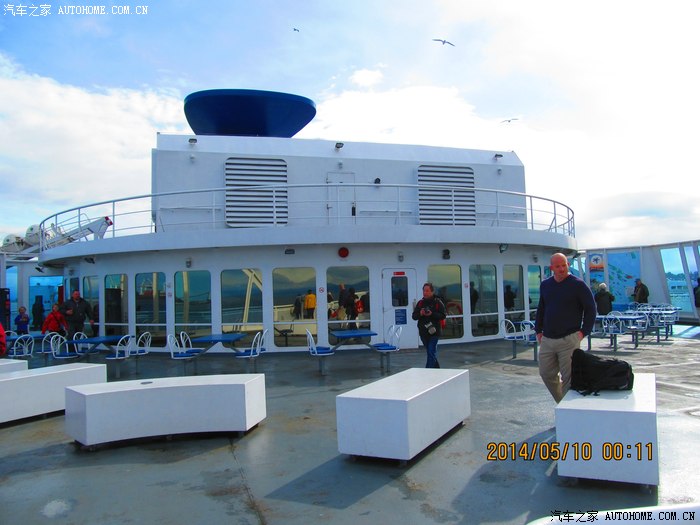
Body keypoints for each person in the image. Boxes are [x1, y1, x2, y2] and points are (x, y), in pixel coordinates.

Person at [535, 253, 596, 403]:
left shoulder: (578, 285)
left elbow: (591, 308)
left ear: (568, 265)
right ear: (552, 268)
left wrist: (583, 332)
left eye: (564, 265)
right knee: (546, 373)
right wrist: (538, 330)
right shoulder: (545, 285)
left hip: (569, 339)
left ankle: (567, 410)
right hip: (548, 339)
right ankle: (562, 402)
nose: (562, 269)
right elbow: (542, 308)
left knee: (568, 378)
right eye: (558, 266)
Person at [412, 282, 447, 368]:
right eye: (424, 290)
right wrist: (420, 313)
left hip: (434, 332)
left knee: (431, 352)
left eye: (427, 291)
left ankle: (427, 372)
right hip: (423, 333)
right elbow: (414, 316)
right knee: (430, 353)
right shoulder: (420, 303)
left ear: (432, 292)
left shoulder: (438, 302)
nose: (425, 292)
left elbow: (443, 315)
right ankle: (437, 369)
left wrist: (432, 314)